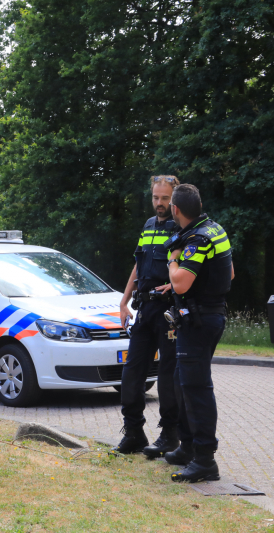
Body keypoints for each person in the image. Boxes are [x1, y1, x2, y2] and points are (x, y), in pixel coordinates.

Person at [165, 184, 233, 482]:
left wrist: (173, 260)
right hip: (208, 314)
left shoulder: (197, 239)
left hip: (199, 321)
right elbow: (227, 273)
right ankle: (188, 447)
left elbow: (180, 282)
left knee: (196, 389)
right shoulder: (215, 229)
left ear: (175, 210)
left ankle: (205, 460)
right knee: (183, 382)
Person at [113, 175, 180, 456]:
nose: (160, 203)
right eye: (156, 197)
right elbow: (138, 266)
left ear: (174, 199)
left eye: (165, 198)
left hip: (168, 310)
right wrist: (123, 301)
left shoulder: (182, 228)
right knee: (132, 372)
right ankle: (134, 432)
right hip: (144, 309)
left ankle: (169, 436)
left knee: (166, 376)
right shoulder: (149, 225)